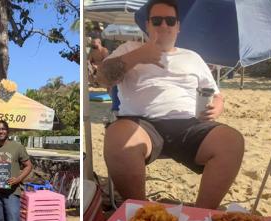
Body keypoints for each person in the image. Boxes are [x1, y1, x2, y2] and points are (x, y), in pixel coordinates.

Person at [99, 0, 244, 209]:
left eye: (170, 20)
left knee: (232, 142)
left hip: (189, 124)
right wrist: (138, 56)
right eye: (157, 21)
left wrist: (217, 105)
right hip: (140, 125)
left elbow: (216, 93)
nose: (164, 26)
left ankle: (202, 215)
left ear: (178, 26)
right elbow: (103, 78)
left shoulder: (192, 57)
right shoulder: (129, 48)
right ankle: (141, 212)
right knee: (117, 137)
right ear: (147, 25)